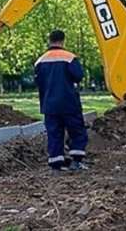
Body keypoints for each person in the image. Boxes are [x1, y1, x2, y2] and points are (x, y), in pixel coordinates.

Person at [34, 30, 88, 174]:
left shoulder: (40, 60)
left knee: (54, 134)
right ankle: (76, 162)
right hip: (69, 102)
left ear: (49, 40)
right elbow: (78, 76)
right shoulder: (69, 58)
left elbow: (38, 81)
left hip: (49, 105)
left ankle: (56, 165)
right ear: (63, 40)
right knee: (77, 131)